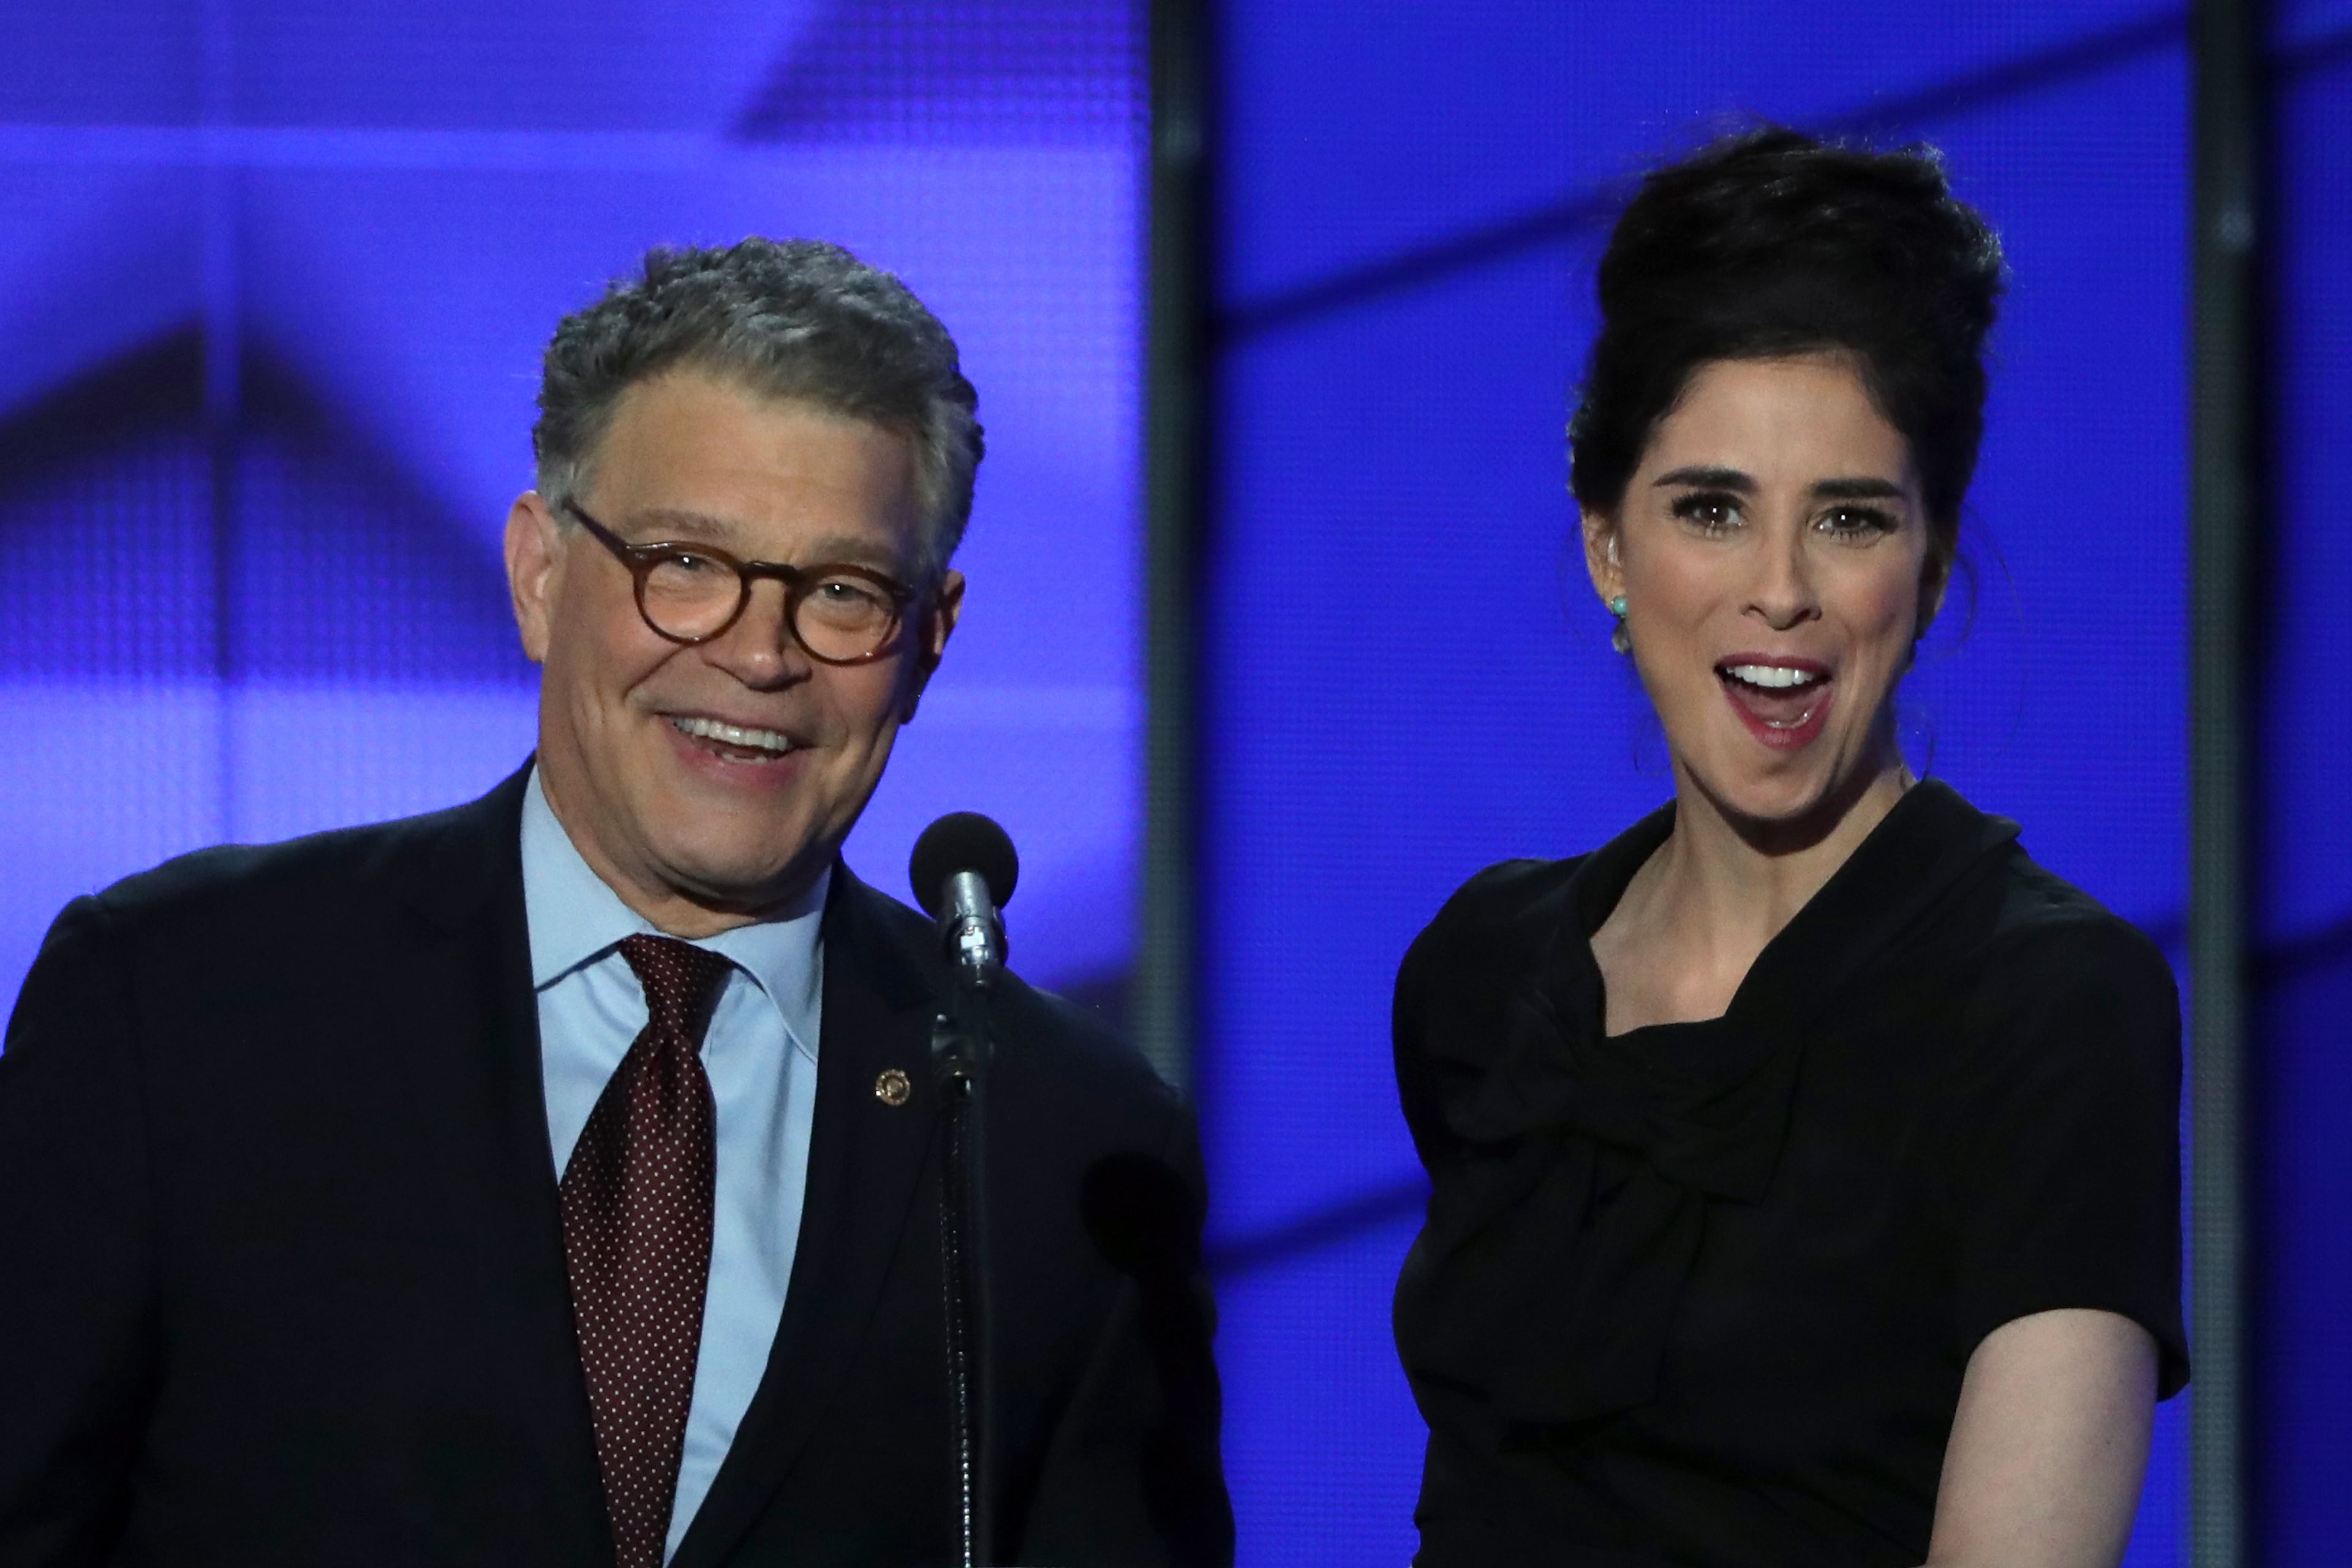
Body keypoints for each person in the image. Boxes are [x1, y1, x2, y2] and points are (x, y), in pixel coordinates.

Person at [0, 239, 1231, 1567]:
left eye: (840, 591)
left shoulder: (1065, 1139)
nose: (759, 656)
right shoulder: (182, 1000)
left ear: (928, 639)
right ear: (540, 573)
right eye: (687, 564)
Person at [1390, 130, 2187, 1567]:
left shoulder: (2054, 1007)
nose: (1778, 593)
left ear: (1931, 567)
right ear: (1608, 548)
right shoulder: (1485, 972)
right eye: (1711, 508)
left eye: (1849, 519)